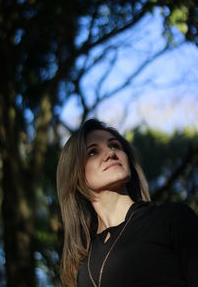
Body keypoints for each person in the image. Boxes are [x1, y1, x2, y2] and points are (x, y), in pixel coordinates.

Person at [56, 118, 198, 287]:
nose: (110, 153)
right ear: (76, 176)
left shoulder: (172, 219)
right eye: (92, 152)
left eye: (114, 145)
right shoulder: (79, 265)